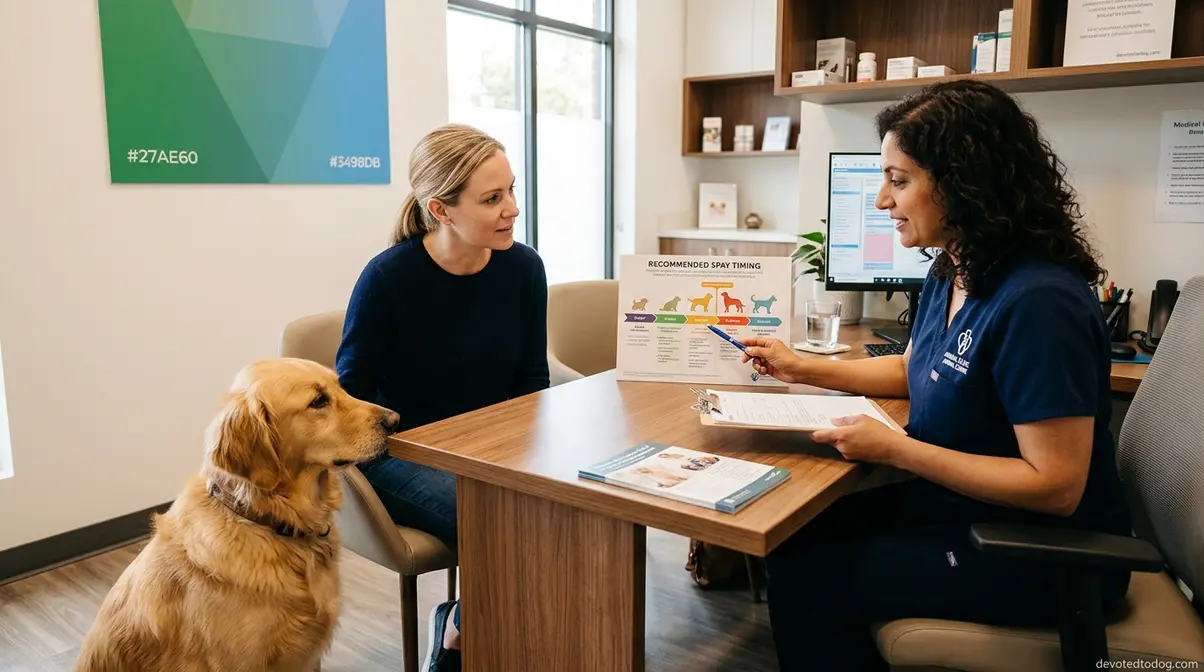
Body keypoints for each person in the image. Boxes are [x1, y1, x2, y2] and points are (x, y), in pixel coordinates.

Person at [739, 80, 1133, 670]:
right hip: (962, 509)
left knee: (807, 574)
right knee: (793, 533)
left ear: (964, 182)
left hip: (1045, 554)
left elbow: (1055, 487)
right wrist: (803, 368)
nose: (881, 201)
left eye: (899, 181)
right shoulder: (954, 267)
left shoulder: (1039, 302)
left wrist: (896, 449)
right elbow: (916, 367)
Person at [335, 123, 550, 672]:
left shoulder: (524, 268)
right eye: (492, 198)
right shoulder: (387, 279)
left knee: (570, 507)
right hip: (398, 452)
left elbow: (531, 380)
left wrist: (529, 456)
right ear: (441, 209)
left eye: (511, 190)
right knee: (507, 521)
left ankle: (496, 628)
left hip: (489, 449)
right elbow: (352, 399)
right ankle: (459, 634)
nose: (512, 209)